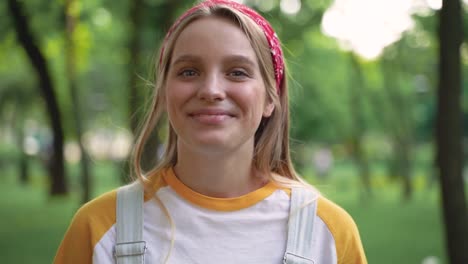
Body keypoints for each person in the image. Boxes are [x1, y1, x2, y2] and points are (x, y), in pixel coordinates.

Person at [54, 1, 367, 263]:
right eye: (189, 72)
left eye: (237, 72)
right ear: (164, 92)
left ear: (271, 98)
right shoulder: (99, 228)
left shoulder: (328, 233)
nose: (212, 90)